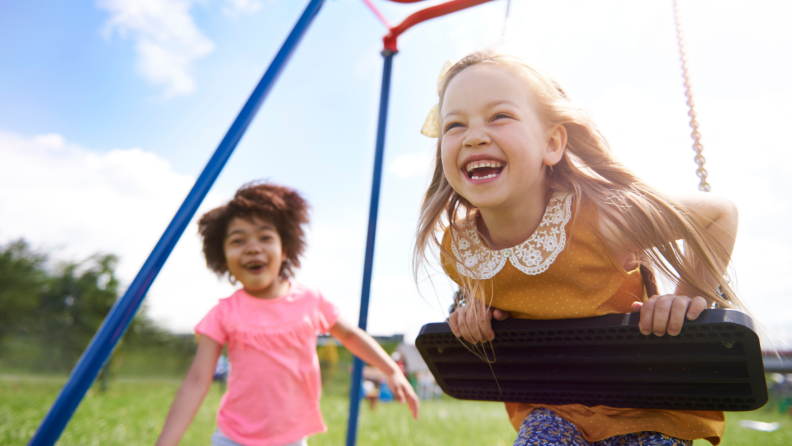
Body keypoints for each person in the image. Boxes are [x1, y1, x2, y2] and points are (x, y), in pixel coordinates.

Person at [413, 49, 742, 446]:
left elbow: (719, 214)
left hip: (648, 404)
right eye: (455, 124)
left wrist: (685, 298)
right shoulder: (459, 249)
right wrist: (471, 314)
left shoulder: (599, 221)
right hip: (554, 408)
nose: (475, 135)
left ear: (551, 143)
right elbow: (493, 295)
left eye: (499, 116)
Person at [156, 182, 419, 446]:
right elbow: (197, 381)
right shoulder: (223, 313)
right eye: (238, 240)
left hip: (291, 439)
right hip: (232, 438)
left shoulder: (309, 300)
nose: (253, 247)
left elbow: (350, 335)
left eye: (265, 237)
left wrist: (390, 370)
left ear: (285, 249)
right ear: (222, 257)